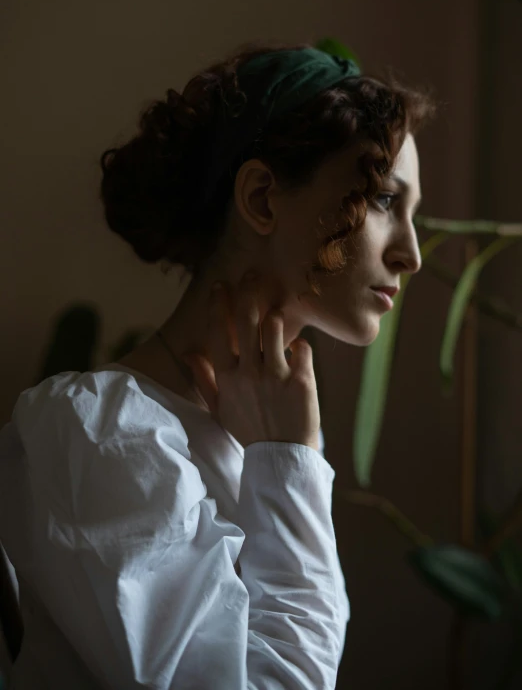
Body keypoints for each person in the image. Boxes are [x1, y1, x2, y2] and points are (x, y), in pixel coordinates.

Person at [0, 41, 435, 689]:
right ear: (262, 197)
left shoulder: (261, 433)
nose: (413, 253)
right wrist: (290, 466)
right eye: (381, 201)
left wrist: (284, 457)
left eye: (413, 213)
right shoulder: (99, 435)